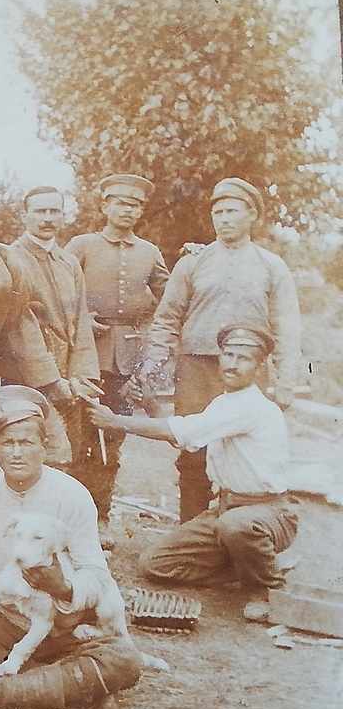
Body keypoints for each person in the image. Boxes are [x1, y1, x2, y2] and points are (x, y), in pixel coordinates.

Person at [0, 385, 143, 709]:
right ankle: (71, 682)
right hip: (10, 620)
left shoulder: (73, 495)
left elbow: (96, 573)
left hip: (68, 626)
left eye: (26, 442)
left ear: (44, 445)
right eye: (7, 443)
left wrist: (65, 588)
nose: (16, 453)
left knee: (125, 660)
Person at [86, 324, 299, 619]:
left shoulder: (250, 406)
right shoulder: (224, 403)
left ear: (260, 366)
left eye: (244, 358)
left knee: (236, 526)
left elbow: (183, 430)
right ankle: (247, 565)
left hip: (268, 513)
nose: (233, 364)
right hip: (226, 510)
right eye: (228, 354)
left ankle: (265, 588)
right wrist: (149, 402)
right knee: (155, 564)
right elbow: (185, 436)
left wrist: (116, 421)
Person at [141, 178, 302, 523]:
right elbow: (166, 319)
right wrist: (152, 369)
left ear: (252, 216)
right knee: (193, 451)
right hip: (197, 370)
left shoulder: (271, 266)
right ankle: (190, 532)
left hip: (250, 372)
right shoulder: (192, 263)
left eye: (232, 211)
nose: (224, 219)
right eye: (218, 212)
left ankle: (239, 533)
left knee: (244, 450)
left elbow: (287, 327)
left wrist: (286, 382)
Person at [66, 174, 170, 548]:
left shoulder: (149, 252)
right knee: (74, 438)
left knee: (112, 439)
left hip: (126, 358)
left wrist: (149, 334)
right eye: (120, 203)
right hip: (81, 356)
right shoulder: (82, 245)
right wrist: (80, 321)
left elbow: (169, 299)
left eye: (135, 205)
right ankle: (67, 516)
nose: (127, 210)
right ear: (105, 206)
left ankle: (101, 517)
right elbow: (59, 289)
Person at [0, 186, 101, 471]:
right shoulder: (11, 258)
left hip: (70, 380)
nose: (48, 218)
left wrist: (84, 377)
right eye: (40, 211)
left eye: (55, 211)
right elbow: (20, 324)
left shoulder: (69, 262)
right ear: (24, 216)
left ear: (63, 216)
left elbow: (81, 323)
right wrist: (52, 382)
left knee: (70, 457)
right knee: (33, 455)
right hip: (27, 378)